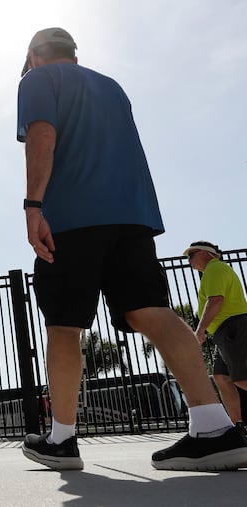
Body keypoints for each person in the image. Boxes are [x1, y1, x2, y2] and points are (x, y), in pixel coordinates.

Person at [17, 27, 247, 471]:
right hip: (133, 214)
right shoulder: (112, 86)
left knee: (64, 325)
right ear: (76, 55)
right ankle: (214, 428)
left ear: (33, 54)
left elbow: (43, 136)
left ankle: (61, 440)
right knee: (152, 312)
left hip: (73, 216)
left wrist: (32, 206)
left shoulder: (37, 80)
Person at [185, 241, 247, 429]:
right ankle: (237, 426)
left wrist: (200, 329)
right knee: (221, 377)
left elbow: (216, 300)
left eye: (191, 255)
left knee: (241, 378)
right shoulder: (213, 271)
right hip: (225, 331)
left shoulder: (215, 269)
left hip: (232, 327)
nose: (188, 261)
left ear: (205, 254)